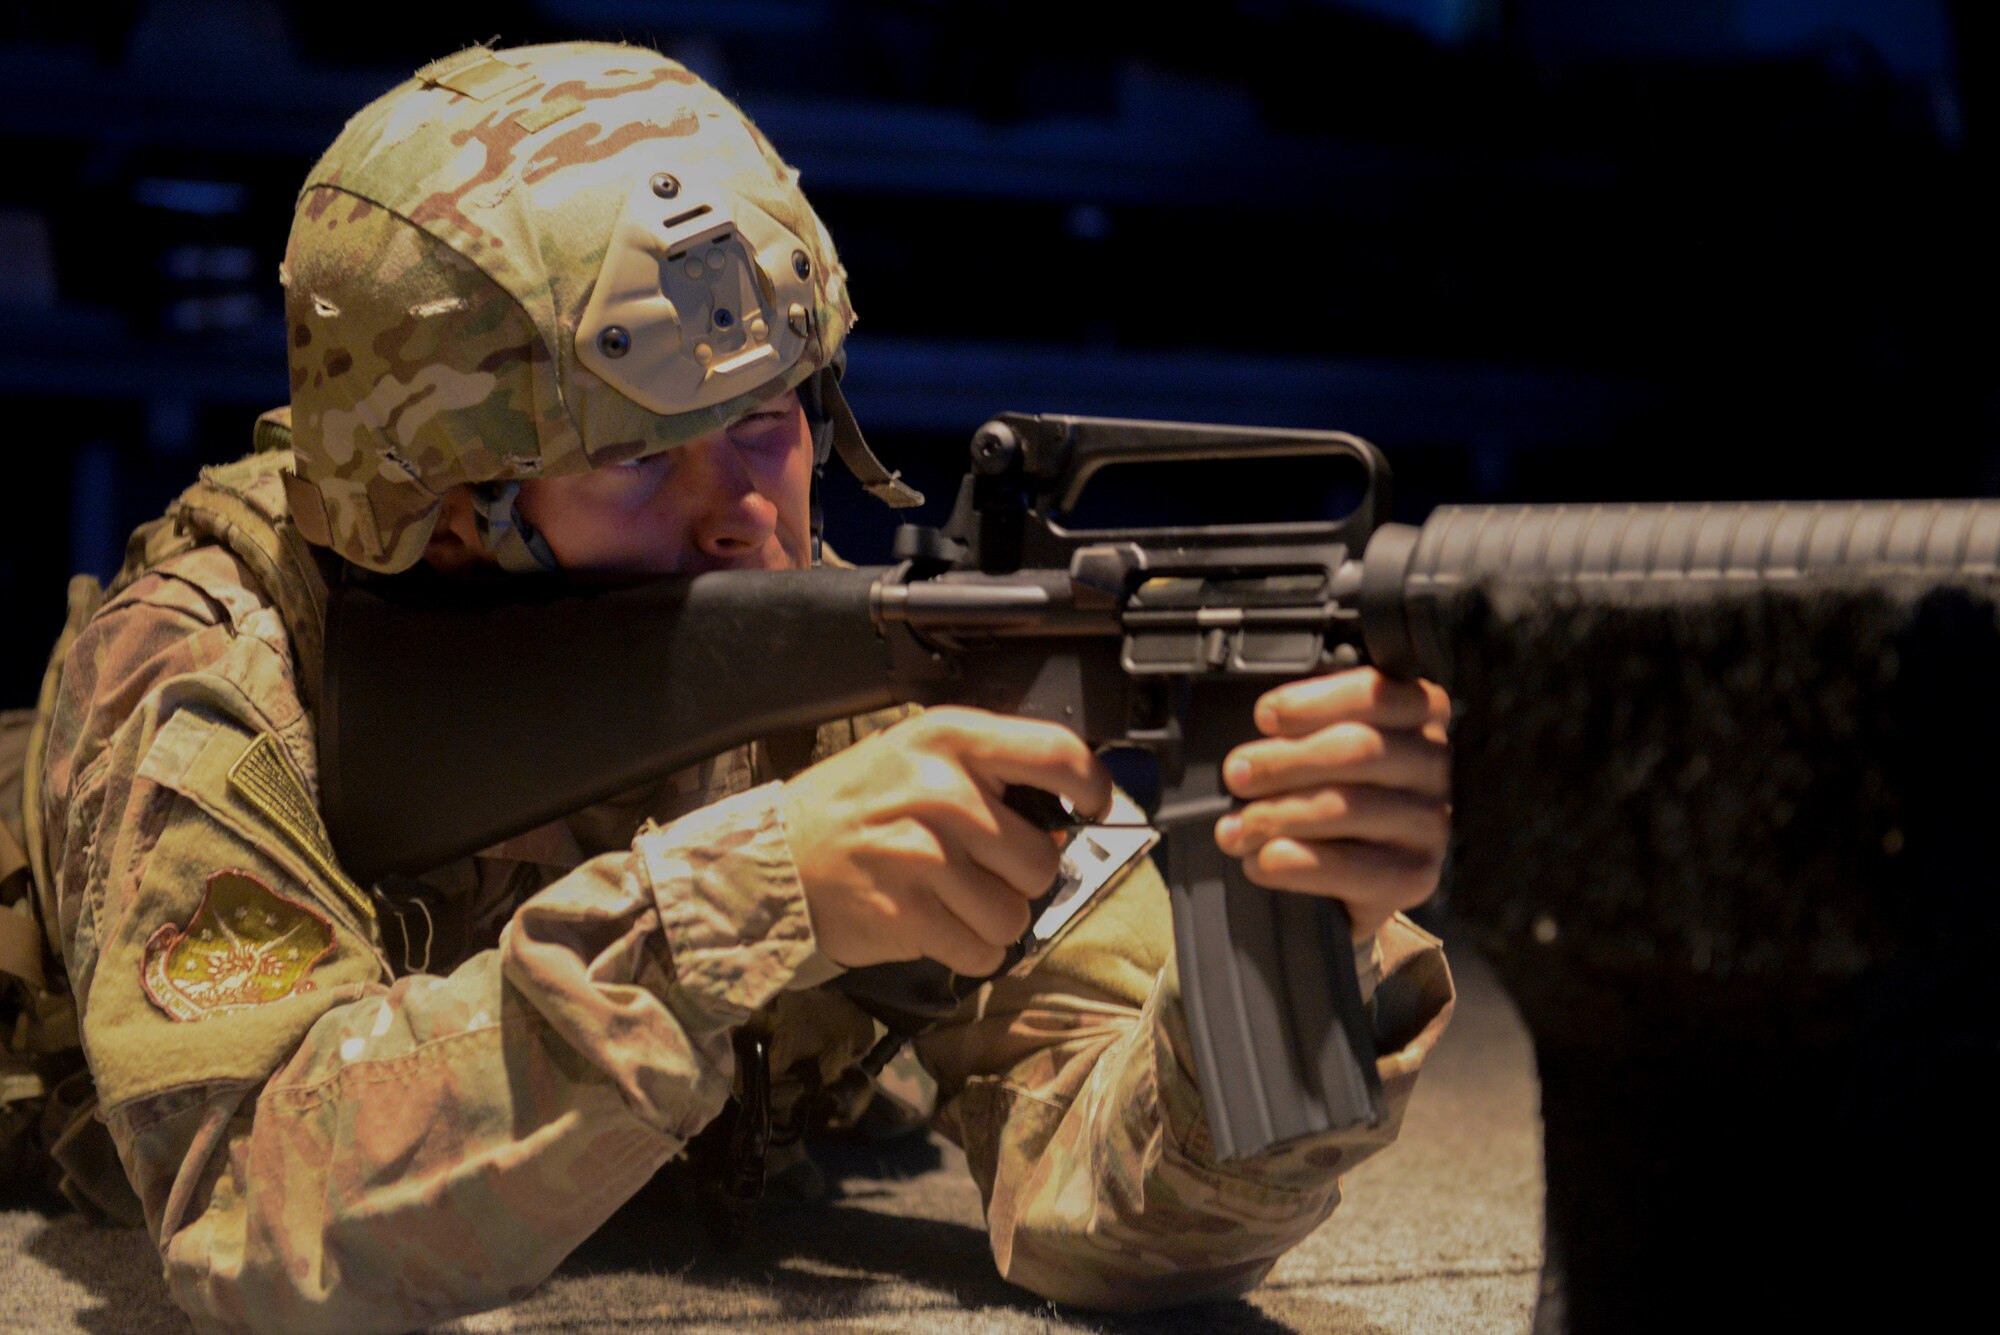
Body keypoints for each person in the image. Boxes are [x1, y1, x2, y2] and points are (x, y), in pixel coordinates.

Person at [22, 40, 1456, 1334]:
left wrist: (1295, 940)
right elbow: (251, 1226)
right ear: (445, 510)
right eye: (640, 458)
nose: (745, 515)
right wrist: (756, 898)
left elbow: (1110, 1198)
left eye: (769, 418)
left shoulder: (839, 668)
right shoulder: (219, 668)